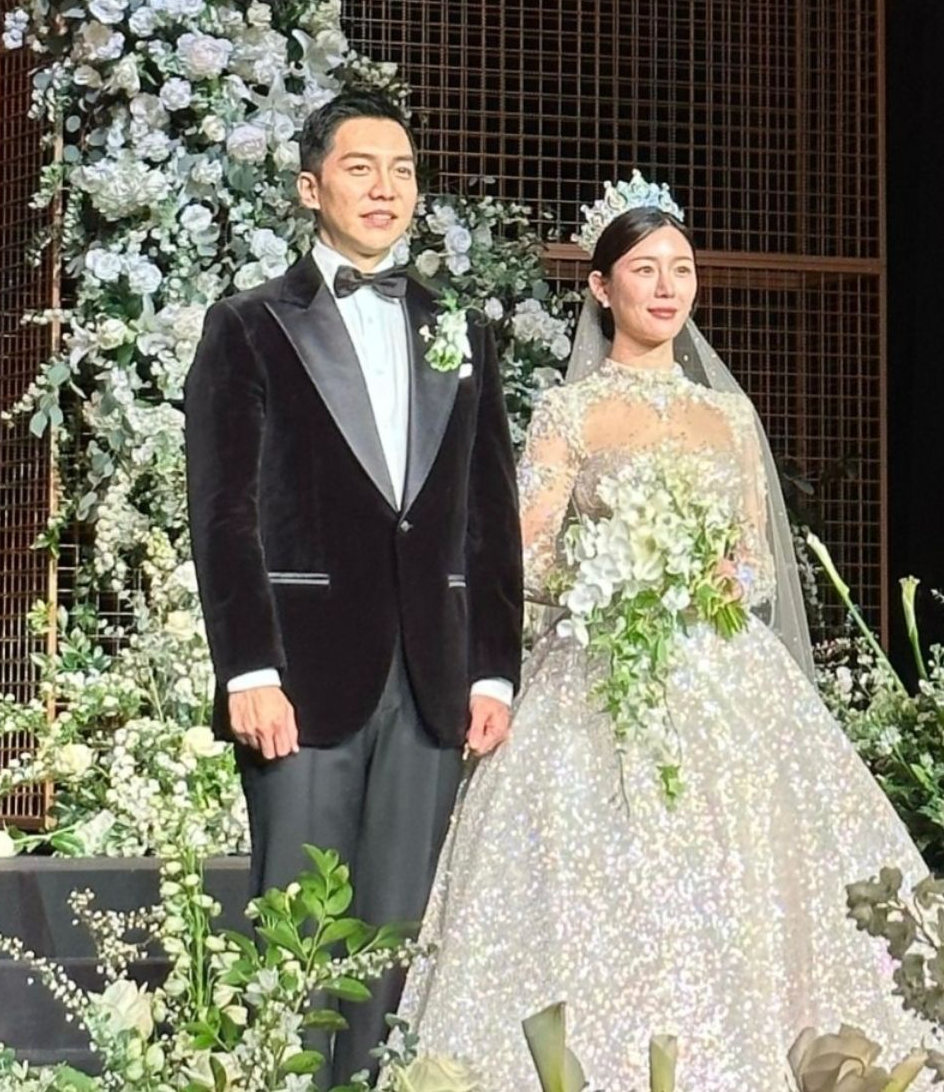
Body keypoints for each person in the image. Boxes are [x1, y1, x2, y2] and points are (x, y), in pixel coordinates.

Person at [390, 178, 933, 1090]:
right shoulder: (571, 411)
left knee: (745, 873)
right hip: (601, 670)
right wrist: (616, 575)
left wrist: (720, 577)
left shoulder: (728, 415)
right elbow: (522, 556)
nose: (667, 286)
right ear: (602, 288)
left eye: (681, 268)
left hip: (727, 675)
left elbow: (757, 561)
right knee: (609, 873)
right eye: (644, 269)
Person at [184, 91, 523, 1085]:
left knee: (396, 953)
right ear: (309, 186)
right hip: (301, 678)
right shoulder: (249, 325)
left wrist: (492, 670)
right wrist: (248, 668)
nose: (385, 188)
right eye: (360, 167)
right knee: (295, 946)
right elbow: (224, 513)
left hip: (430, 681)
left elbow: (486, 509)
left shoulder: (456, 326)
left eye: (402, 170)